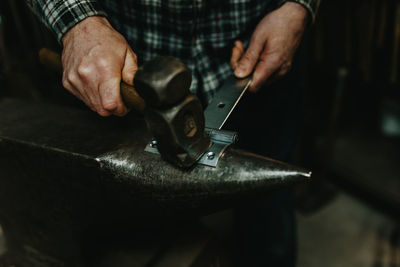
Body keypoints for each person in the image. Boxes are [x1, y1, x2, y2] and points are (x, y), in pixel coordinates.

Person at [27, 0, 320, 266]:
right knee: (132, 236)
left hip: (258, 55)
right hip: (124, 64)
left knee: (268, 221)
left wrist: (297, 8)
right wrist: (78, 23)